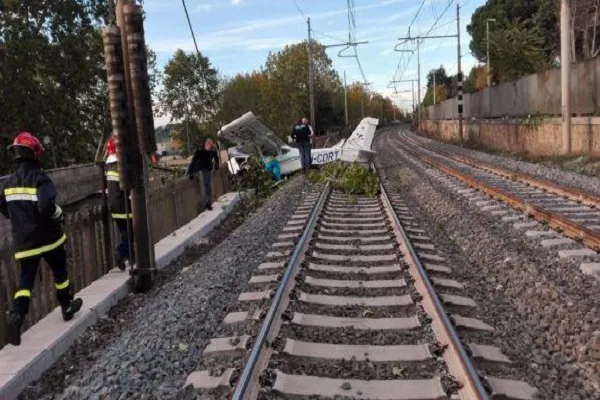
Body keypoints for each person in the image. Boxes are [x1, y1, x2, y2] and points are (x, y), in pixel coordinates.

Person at [0, 132, 82, 346]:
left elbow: (4, 206)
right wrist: (58, 214)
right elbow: (46, 206)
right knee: (60, 273)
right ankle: (66, 307)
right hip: (49, 238)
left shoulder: (8, 182)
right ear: (35, 152)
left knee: (26, 281)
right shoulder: (41, 178)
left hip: (25, 242)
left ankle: (16, 315)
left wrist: (16, 217)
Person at [104, 135, 134, 271]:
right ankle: (120, 252)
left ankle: (131, 257)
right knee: (130, 234)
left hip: (113, 205)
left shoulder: (108, 165)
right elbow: (127, 185)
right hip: (124, 205)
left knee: (125, 233)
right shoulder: (119, 165)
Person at [186, 138, 219, 211]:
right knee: (201, 185)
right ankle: (202, 203)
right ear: (205, 144)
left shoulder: (213, 150)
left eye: (210, 146)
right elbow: (193, 161)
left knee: (207, 185)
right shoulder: (200, 150)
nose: (209, 147)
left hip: (207, 169)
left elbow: (216, 158)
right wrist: (190, 172)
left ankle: (208, 203)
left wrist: (216, 165)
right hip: (199, 169)